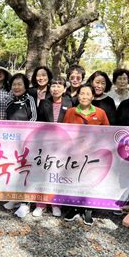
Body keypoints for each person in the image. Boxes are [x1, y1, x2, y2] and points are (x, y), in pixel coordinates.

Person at [62, 85, 110, 225]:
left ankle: (87, 209)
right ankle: (73, 208)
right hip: (75, 154)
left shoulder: (100, 113)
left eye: (87, 94)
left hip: (93, 154)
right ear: (78, 96)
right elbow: (65, 131)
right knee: (74, 179)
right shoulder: (71, 112)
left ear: (92, 97)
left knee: (90, 180)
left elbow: (107, 132)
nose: (84, 96)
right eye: (81, 94)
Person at [34, 76, 73, 217]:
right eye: (53, 86)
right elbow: (38, 123)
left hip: (63, 144)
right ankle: (41, 204)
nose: (55, 88)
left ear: (64, 89)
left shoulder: (70, 102)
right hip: (46, 143)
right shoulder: (44, 103)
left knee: (57, 174)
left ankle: (56, 204)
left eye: (59, 86)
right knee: (43, 173)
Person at [3, 73, 37, 217]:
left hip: (27, 143)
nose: (16, 87)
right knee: (13, 171)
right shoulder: (9, 102)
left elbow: (34, 119)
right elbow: (5, 121)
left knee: (26, 172)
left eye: (19, 84)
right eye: (14, 84)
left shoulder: (30, 100)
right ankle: (14, 198)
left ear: (25, 86)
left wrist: (24, 136)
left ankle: (25, 203)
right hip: (11, 143)